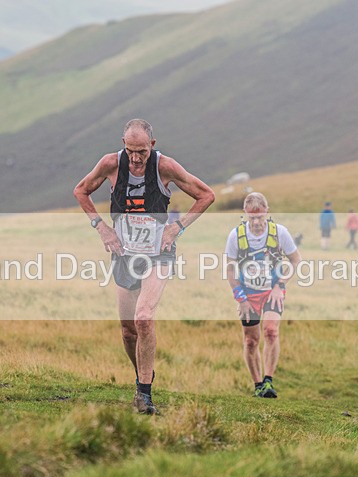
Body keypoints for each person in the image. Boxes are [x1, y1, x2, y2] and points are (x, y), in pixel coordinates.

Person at [73, 119, 215, 414]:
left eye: (142, 152)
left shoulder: (165, 167)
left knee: (143, 318)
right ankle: (143, 375)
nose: (136, 158)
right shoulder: (111, 164)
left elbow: (206, 195)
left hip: (158, 254)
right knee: (128, 331)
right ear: (123, 145)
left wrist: (177, 227)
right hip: (125, 255)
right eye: (130, 151)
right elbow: (81, 190)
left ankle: (144, 394)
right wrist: (102, 228)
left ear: (152, 144)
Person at [225, 192, 302, 398]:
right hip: (247, 294)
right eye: (252, 217)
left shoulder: (280, 233)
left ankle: (268, 381)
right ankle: (258, 385)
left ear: (267, 212)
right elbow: (230, 270)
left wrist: (280, 285)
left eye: (260, 217)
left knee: (271, 331)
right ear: (245, 213)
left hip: (272, 291)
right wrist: (241, 298)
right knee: (251, 340)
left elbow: (296, 260)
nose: (257, 222)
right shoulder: (236, 235)